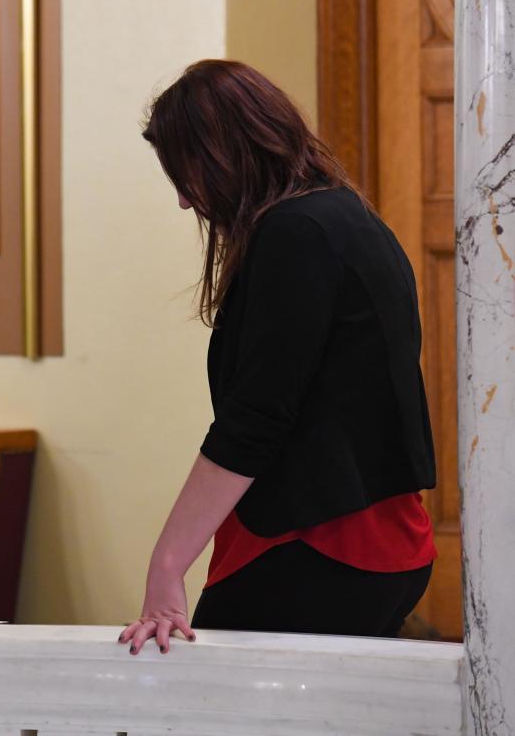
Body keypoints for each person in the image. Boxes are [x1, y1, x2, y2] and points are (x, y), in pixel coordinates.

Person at [120, 60, 437, 655]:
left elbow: (256, 419)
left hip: (318, 547)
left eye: (184, 175)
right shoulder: (349, 216)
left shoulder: (295, 233)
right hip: (381, 545)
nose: (186, 201)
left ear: (223, 153)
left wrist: (166, 568)